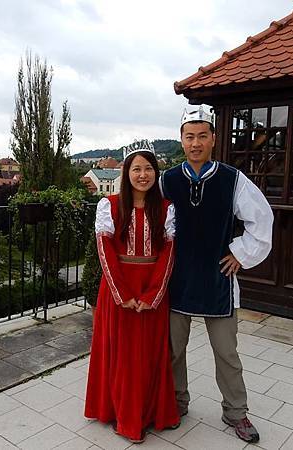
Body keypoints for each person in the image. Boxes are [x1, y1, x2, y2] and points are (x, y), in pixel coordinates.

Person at [160, 106, 273, 443]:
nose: (195, 143)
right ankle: (176, 402)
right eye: (189, 137)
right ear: (181, 140)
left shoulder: (231, 179)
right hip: (177, 278)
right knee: (172, 350)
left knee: (227, 353)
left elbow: (261, 219)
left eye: (202, 136)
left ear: (213, 138)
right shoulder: (167, 180)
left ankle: (235, 411)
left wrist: (241, 253)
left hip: (217, 279)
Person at [85, 139, 179, 444]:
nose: (142, 175)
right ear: (126, 173)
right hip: (118, 289)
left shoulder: (166, 208)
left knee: (150, 355)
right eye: (136, 169)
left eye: (148, 168)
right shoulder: (109, 205)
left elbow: (168, 253)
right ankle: (123, 415)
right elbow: (105, 251)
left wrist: (152, 295)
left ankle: (150, 413)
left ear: (155, 173)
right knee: (122, 356)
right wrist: (122, 294)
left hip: (153, 289)